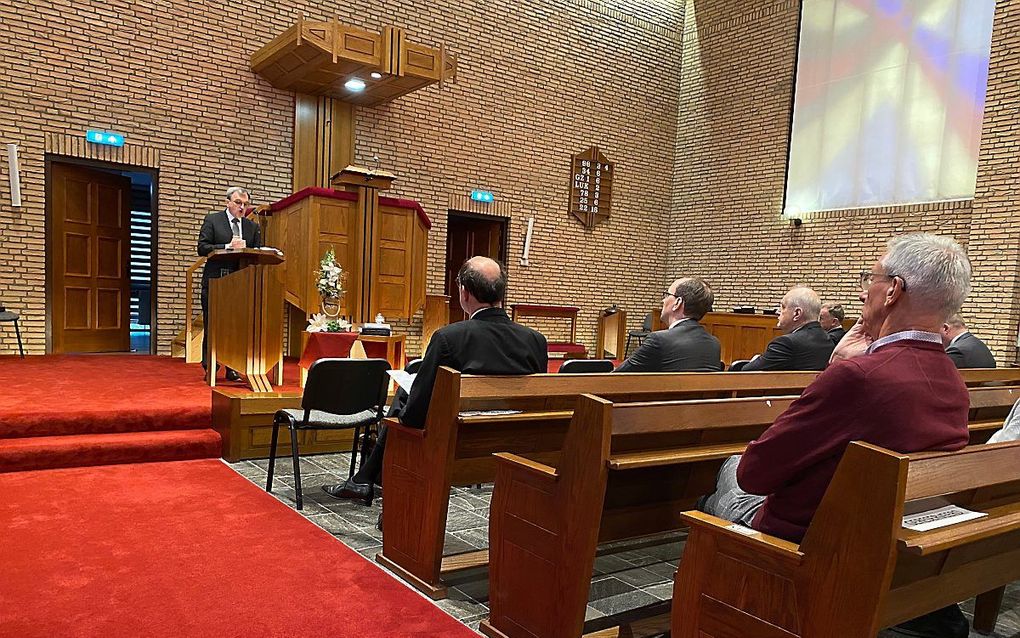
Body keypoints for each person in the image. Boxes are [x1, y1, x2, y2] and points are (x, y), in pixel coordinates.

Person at [701, 233, 973, 638]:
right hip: (884, 545)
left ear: (894, 290)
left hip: (809, 550)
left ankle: (708, 609)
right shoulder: (953, 379)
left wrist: (837, 369)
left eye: (871, 278)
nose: (865, 291)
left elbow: (755, 475)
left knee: (730, 468)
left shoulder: (859, 377)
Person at [323, 256, 548, 504]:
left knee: (403, 406)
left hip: (452, 444)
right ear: (501, 294)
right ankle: (363, 479)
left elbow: (415, 415)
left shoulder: (449, 338)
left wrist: (400, 414)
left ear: (464, 293)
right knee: (406, 399)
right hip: (516, 444)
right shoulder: (535, 340)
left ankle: (366, 481)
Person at [197, 187, 261, 381]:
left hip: (241, 284)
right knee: (213, 325)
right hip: (216, 281)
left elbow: (257, 252)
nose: (242, 207)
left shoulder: (252, 227)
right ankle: (211, 366)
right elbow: (202, 247)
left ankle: (233, 366)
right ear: (227, 202)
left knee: (237, 327)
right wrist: (227, 246)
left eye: (245, 204)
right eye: (238, 203)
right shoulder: (213, 220)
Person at [614, 277, 721, 372]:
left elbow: (614, 379)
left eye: (667, 295)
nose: (663, 300)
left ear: (677, 303)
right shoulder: (714, 343)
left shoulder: (659, 340)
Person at [739, 287, 832, 371]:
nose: (778, 312)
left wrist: (755, 360)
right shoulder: (828, 340)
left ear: (797, 314)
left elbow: (745, 372)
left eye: (783, 307)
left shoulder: (786, 344)